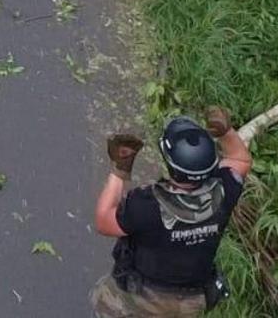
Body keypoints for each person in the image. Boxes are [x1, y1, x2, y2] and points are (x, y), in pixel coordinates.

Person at [92, 109, 251, 317]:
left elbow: (104, 221)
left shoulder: (147, 204)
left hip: (142, 293)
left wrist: (119, 170)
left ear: (170, 164)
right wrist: (226, 131)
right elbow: (241, 160)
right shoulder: (226, 189)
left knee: (105, 303)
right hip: (192, 299)